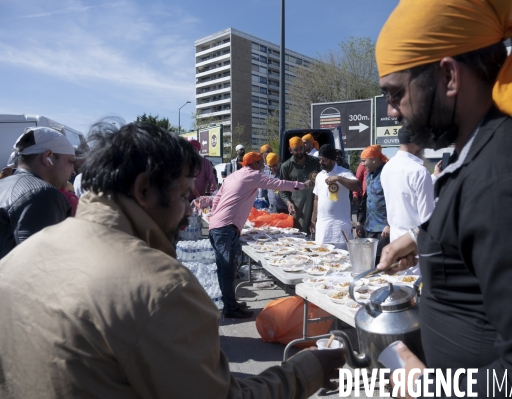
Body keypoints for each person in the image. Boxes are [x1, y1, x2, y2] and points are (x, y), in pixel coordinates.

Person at [0, 120, 345, 398]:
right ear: (144, 190)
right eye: (182, 195)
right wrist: (309, 369)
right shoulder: (160, 287)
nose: (186, 213)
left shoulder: (20, 257)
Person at [375, 0, 512, 396]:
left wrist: (426, 386)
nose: (392, 112)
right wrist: (424, 240)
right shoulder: (490, 146)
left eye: (395, 93)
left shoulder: (511, 179)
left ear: (448, 76)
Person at [209, 152, 314, 318]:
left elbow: (217, 199)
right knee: (227, 270)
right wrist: (303, 185)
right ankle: (230, 307)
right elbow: (278, 184)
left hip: (218, 226)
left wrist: (215, 217)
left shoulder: (233, 175)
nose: (264, 166)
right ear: (255, 164)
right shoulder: (253, 175)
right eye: (261, 163)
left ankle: (231, 303)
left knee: (225, 269)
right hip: (225, 228)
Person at [0, 127, 75, 260]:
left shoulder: (4, 184)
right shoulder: (42, 194)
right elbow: (42, 265)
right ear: (47, 157)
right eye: (70, 161)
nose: (73, 171)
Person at [380, 127, 435, 245]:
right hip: (415, 247)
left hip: (395, 243)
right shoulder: (419, 171)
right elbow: (427, 219)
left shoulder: (387, 167)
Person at [310, 145, 360, 249]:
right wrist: (313, 219)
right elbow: (316, 198)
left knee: (341, 259)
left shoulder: (344, 172)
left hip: (339, 225)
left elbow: (358, 186)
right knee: (322, 258)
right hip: (323, 226)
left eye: (324, 160)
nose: (321, 162)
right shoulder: (319, 175)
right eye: (320, 159)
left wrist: (338, 178)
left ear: (332, 160)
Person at [356, 145, 390, 262]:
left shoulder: (387, 173)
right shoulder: (370, 174)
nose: (362, 164)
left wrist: (390, 224)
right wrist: (360, 221)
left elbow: (394, 200)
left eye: (364, 161)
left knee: (382, 262)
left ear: (374, 159)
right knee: (368, 261)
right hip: (369, 227)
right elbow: (366, 198)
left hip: (383, 229)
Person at [279, 137, 320, 233]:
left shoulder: (315, 162)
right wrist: (288, 202)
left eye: (301, 148)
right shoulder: (286, 166)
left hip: (316, 206)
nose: (299, 152)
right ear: (290, 150)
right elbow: (282, 189)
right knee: (299, 236)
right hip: (298, 209)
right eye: (296, 150)